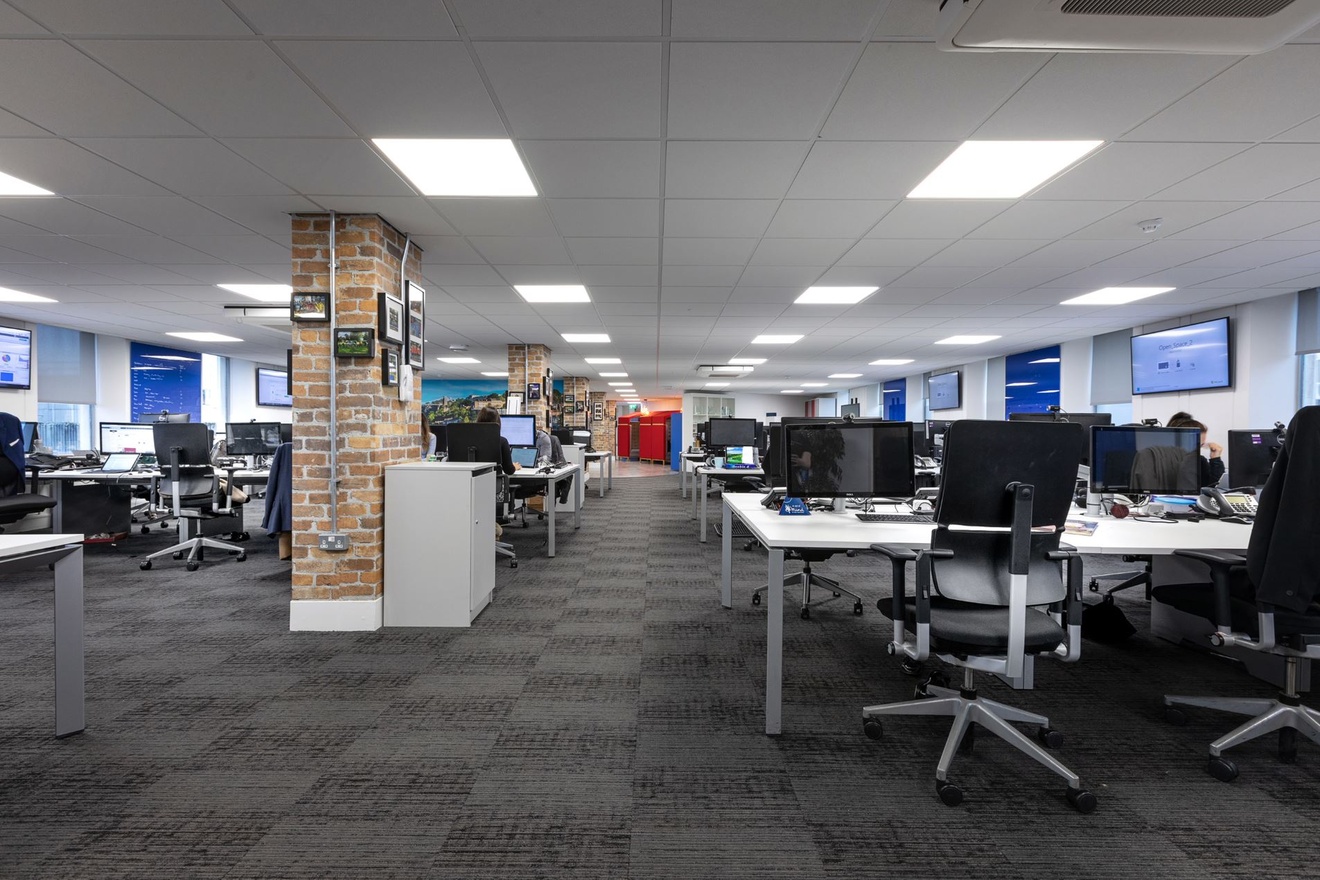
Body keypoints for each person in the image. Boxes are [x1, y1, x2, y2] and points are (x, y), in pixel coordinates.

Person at [1167, 412, 1225, 488]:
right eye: (1194, 445)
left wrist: (1215, 460)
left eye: (1200, 445)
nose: (1196, 450)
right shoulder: (1159, 460)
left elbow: (1213, 488)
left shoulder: (1199, 461)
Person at [475, 406, 519, 475]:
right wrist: (515, 467)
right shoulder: (502, 441)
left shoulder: (470, 441)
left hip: (471, 482)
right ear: (497, 422)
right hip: (494, 483)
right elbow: (509, 470)